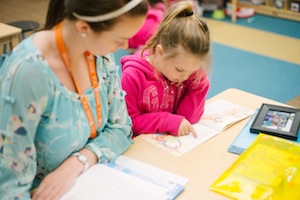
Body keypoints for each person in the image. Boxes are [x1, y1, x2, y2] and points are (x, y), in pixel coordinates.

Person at [0, 0, 148, 199]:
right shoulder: (29, 72)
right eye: (119, 39)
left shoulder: (99, 55)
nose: (125, 46)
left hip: (91, 181)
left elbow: (121, 129)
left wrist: (78, 162)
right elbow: (10, 187)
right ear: (84, 28)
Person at [121, 1, 211, 138]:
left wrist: (199, 83)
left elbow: (188, 118)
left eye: (191, 71)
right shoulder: (133, 76)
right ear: (160, 52)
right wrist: (166, 121)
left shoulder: (183, 71)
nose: (185, 77)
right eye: (180, 70)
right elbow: (128, 123)